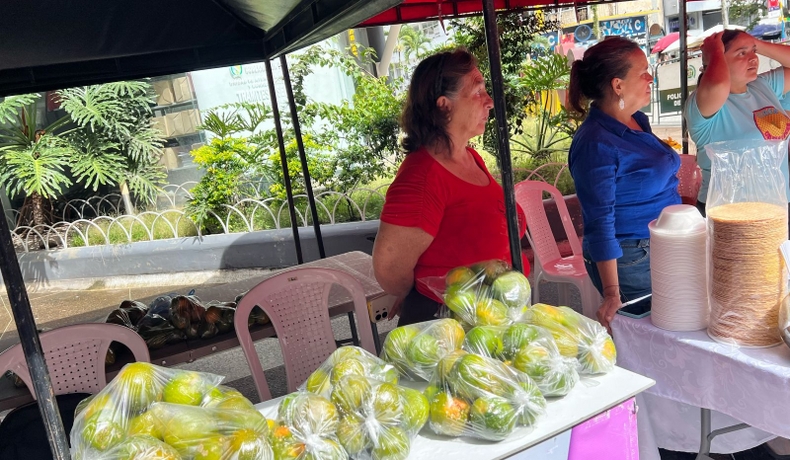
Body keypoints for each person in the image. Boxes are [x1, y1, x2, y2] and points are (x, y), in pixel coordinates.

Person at [372, 48, 528, 326]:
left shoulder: (471, 157)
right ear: (444, 105)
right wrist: (421, 293)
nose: (489, 102)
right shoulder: (422, 178)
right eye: (478, 91)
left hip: (492, 317)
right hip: (451, 326)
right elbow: (390, 270)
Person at [567, 37, 681, 330]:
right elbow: (600, 221)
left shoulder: (636, 119)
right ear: (618, 85)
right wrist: (611, 293)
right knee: (661, 337)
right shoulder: (595, 143)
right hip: (632, 256)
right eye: (643, 72)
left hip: (662, 243)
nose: (650, 78)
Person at [686, 29, 790, 215]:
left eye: (753, 52)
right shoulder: (705, 101)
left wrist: (757, 44)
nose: (753, 58)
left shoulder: (762, 85)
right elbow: (718, 85)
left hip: (776, 205)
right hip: (729, 212)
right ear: (718, 59)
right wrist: (714, 52)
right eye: (742, 53)